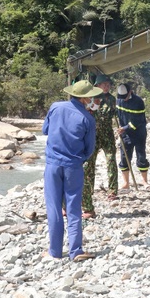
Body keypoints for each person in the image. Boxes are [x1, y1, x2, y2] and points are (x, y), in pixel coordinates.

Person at [42, 80, 101, 261]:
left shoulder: (55, 107)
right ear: (85, 99)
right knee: (73, 207)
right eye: (91, 96)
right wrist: (77, 159)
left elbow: (45, 130)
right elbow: (89, 149)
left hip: (52, 165)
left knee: (53, 208)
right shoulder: (88, 119)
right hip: (73, 166)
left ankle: (55, 252)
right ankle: (75, 251)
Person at [81, 74, 119, 220]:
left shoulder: (112, 99)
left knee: (111, 161)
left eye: (108, 84)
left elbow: (115, 114)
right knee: (90, 164)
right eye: (103, 84)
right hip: (93, 135)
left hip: (108, 134)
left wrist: (120, 127)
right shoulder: (90, 98)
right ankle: (88, 192)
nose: (106, 86)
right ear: (97, 86)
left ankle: (112, 191)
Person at [116, 83, 150, 189]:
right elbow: (117, 113)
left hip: (139, 133)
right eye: (122, 97)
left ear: (130, 92)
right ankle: (126, 183)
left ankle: (145, 182)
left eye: (125, 97)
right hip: (125, 134)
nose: (124, 99)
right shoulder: (119, 100)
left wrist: (124, 128)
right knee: (124, 158)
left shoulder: (138, 102)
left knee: (141, 157)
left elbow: (137, 121)